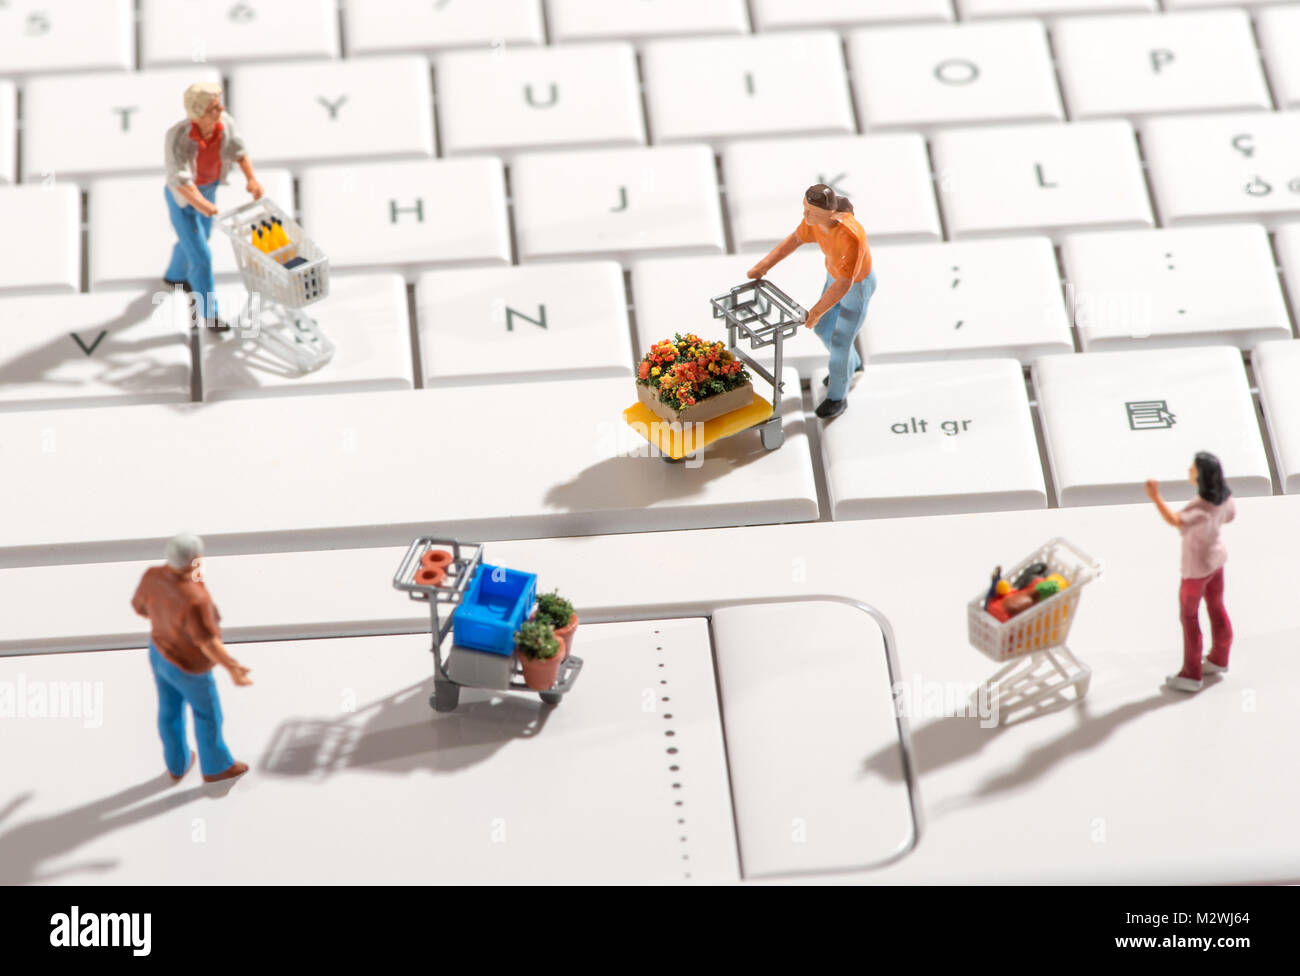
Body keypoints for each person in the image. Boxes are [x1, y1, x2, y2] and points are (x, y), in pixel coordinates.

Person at [747, 183, 876, 420]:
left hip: (856, 286)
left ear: (830, 214)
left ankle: (838, 396)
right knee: (824, 328)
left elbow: (845, 284)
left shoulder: (851, 236)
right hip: (833, 276)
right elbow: (794, 240)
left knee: (839, 341)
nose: (805, 217)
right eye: (804, 209)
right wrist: (763, 266)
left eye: (812, 213)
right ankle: (852, 366)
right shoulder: (814, 224)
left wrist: (815, 311)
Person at [131, 533, 252, 783]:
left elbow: (140, 607)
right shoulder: (195, 600)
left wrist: (166, 621)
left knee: (169, 710)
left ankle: (177, 763)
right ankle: (216, 766)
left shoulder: (152, 576)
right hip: (189, 667)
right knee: (207, 715)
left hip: (158, 653)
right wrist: (232, 667)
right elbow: (207, 642)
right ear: (194, 559)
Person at [164, 82, 264, 331]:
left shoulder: (225, 125)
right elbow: (181, 180)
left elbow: (239, 152)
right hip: (184, 199)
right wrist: (202, 205)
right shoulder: (179, 137)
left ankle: (175, 275)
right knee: (202, 257)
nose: (220, 108)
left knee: (197, 240)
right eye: (213, 107)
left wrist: (251, 178)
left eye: (219, 104)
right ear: (198, 112)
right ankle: (210, 315)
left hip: (209, 191)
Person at [1145, 452, 1236, 693]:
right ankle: (1219, 657)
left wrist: (1156, 497)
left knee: (1189, 617)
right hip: (1217, 561)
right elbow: (1230, 517)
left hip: (1196, 568)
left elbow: (1175, 520)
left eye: (1193, 468)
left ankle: (1191, 672)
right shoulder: (1224, 498)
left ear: (1202, 475)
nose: (1189, 470)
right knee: (1217, 606)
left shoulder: (1200, 506)